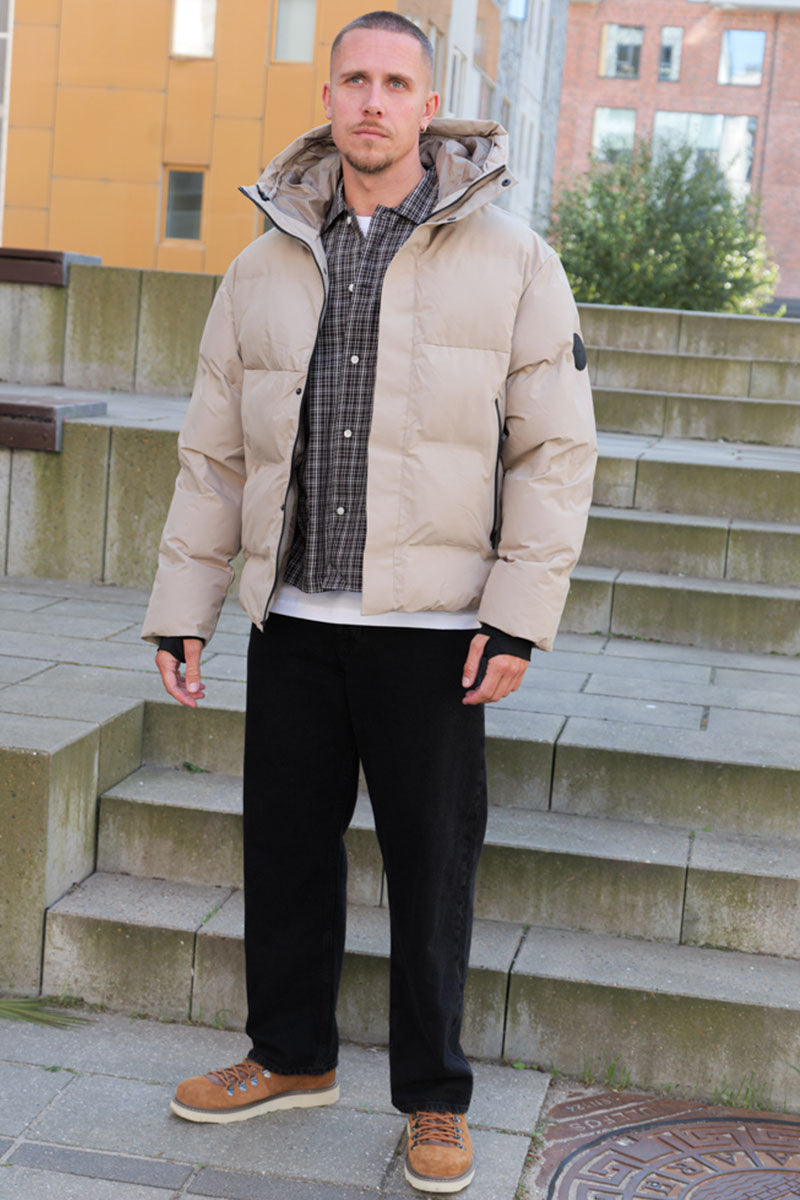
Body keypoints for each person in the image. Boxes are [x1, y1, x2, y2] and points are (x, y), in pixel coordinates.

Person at [142, 10, 596, 1193]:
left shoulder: (513, 261)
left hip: (433, 631)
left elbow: (551, 453)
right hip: (294, 619)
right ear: (328, 95)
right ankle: (289, 1055)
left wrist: (516, 614)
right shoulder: (261, 265)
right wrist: (184, 606)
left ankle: (434, 1097)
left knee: (429, 868)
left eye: (396, 82)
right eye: (354, 78)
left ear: (427, 106)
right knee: (286, 852)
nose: (373, 100)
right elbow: (214, 455)